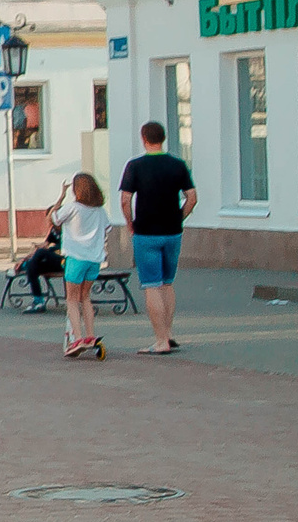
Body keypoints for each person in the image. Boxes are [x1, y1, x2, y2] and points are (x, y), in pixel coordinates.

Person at [118, 120, 198, 356]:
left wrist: (130, 223)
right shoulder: (177, 164)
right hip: (172, 232)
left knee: (151, 285)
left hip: (146, 232)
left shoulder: (135, 166)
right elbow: (192, 197)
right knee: (167, 283)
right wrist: (179, 217)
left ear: (144, 138)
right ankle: (168, 333)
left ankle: (160, 340)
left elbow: (125, 200)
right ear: (163, 138)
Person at [51, 172, 114, 357]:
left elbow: (54, 218)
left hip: (75, 258)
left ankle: (77, 338)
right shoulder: (100, 211)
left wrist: (61, 197)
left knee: (71, 299)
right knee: (85, 297)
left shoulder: (73, 208)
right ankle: (90, 336)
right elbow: (107, 229)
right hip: (94, 260)